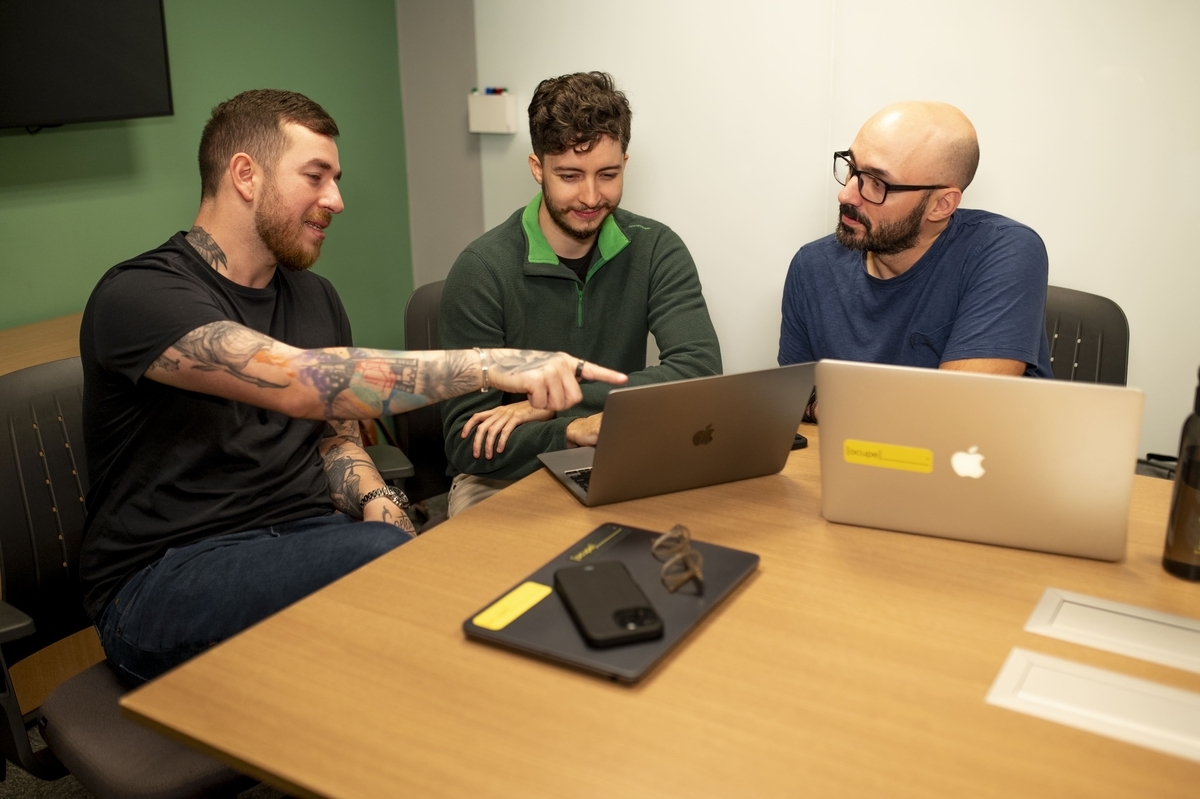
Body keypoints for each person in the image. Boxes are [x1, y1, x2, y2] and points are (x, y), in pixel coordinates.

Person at [79, 89, 625, 684]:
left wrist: (379, 500)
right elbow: (303, 383)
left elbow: (334, 438)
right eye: (315, 177)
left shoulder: (314, 297)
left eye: (335, 180)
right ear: (245, 175)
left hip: (307, 538)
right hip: (163, 578)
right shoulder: (140, 296)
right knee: (388, 581)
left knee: (451, 568)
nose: (335, 200)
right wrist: (490, 365)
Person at [440, 72, 721, 515]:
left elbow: (699, 371)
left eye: (608, 174)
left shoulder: (656, 248)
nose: (591, 197)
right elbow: (468, 441)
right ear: (538, 168)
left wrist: (551, 406)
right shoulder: (481, 271)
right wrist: (569, 430)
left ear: (625, 163)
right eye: (570, 176)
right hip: (506, 477)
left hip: (619, 451)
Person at [778, 101, 1052, 418]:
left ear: (941, 205)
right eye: (851, 168)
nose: (847, 195)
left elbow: (960, 409)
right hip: (853, 449)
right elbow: (795, 402)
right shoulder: (812, 266)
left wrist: (836, 405)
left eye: (877, 183)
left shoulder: (1004, 250)